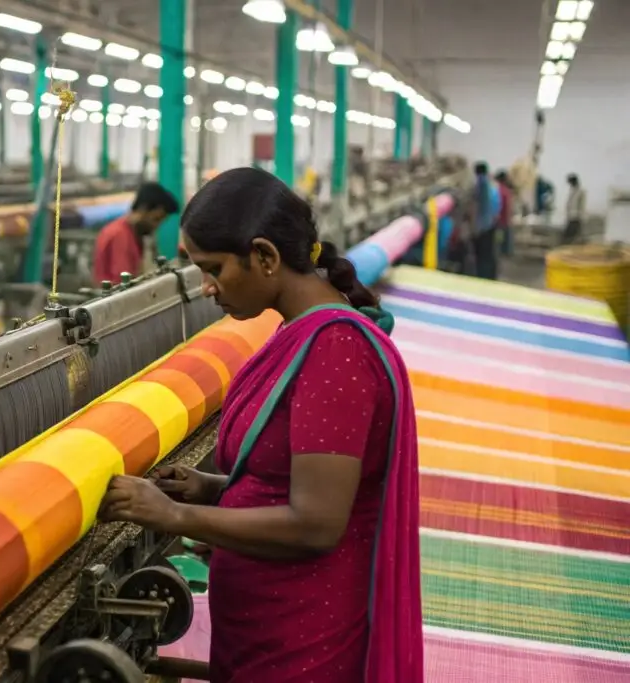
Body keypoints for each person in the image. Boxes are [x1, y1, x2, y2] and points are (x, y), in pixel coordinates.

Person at [100, 167, 423, 683]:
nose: (206, 287)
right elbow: (291, 480)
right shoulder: (297, 332)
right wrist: (212, 488)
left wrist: (175, 517)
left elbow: (316, 523)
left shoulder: (335, 351)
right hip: (264, 631)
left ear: (266, 257)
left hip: (305, 641)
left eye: (213, 269)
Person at [92, 182, 179, 285]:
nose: (156, 226)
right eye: (156, 219)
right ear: (143, 209)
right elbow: (122, 283)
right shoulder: (120, 236)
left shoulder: (131, 233)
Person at [472, 161, 498, 279]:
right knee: (489, 253)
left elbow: (478, 206)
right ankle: (490, 275)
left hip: (483, 226)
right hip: (490, 223)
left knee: (483, 255)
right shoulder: (490, 184)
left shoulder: (480, 183)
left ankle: (484, 276)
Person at [494, 170, 515, 256]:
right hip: (504, 220)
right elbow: (508, 207)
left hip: (498, 220)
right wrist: (509, 219)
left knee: (498, 239)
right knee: (505, 239)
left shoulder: (496, 190)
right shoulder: (506, 191)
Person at [563, 173, 586, 244]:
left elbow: (581, 205)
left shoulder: (580, 191)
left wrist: (580, 217)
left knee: (571, 236)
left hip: (576, 217)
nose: (570, 184)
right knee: (568, 236)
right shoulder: (572, 190)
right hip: (570, 216)